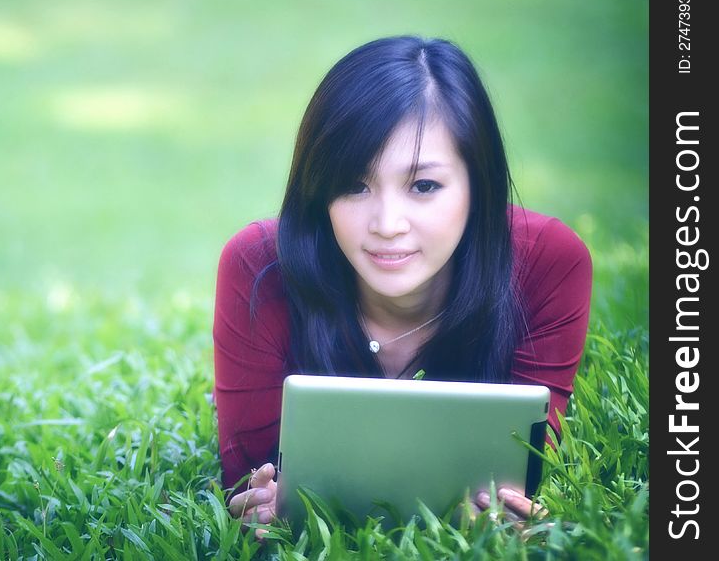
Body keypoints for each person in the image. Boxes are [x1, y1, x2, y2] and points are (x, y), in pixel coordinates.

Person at [212, 36, 592, 536]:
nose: (388, 224)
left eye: (424, 186)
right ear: (318, 188)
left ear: (478, 185)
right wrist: (257, 500)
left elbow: (526, 473)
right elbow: (244, 479)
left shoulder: (547, 261)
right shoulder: (259, 266)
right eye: (354, 184)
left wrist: (509, 515)